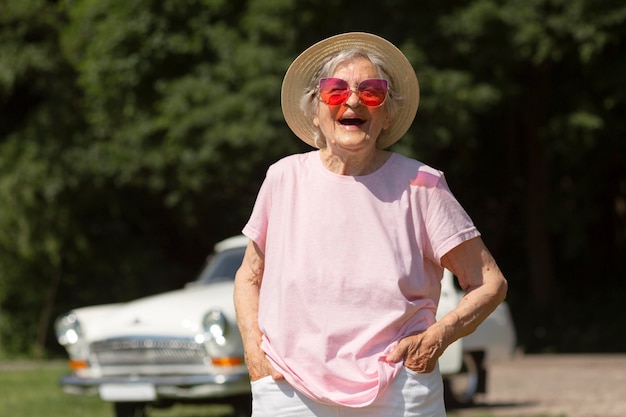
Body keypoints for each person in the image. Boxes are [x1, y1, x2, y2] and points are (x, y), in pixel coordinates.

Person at [233, 32, 508, 417]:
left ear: (388, 112)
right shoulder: (283, 178)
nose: (352, 100)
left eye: (372, 91)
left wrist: (436, 339)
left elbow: (489, 281)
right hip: (288, 389)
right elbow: (249, 276)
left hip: (399, 386)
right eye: (335, 90)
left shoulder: (422, 184)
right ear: (315, 110)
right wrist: (253, 352)